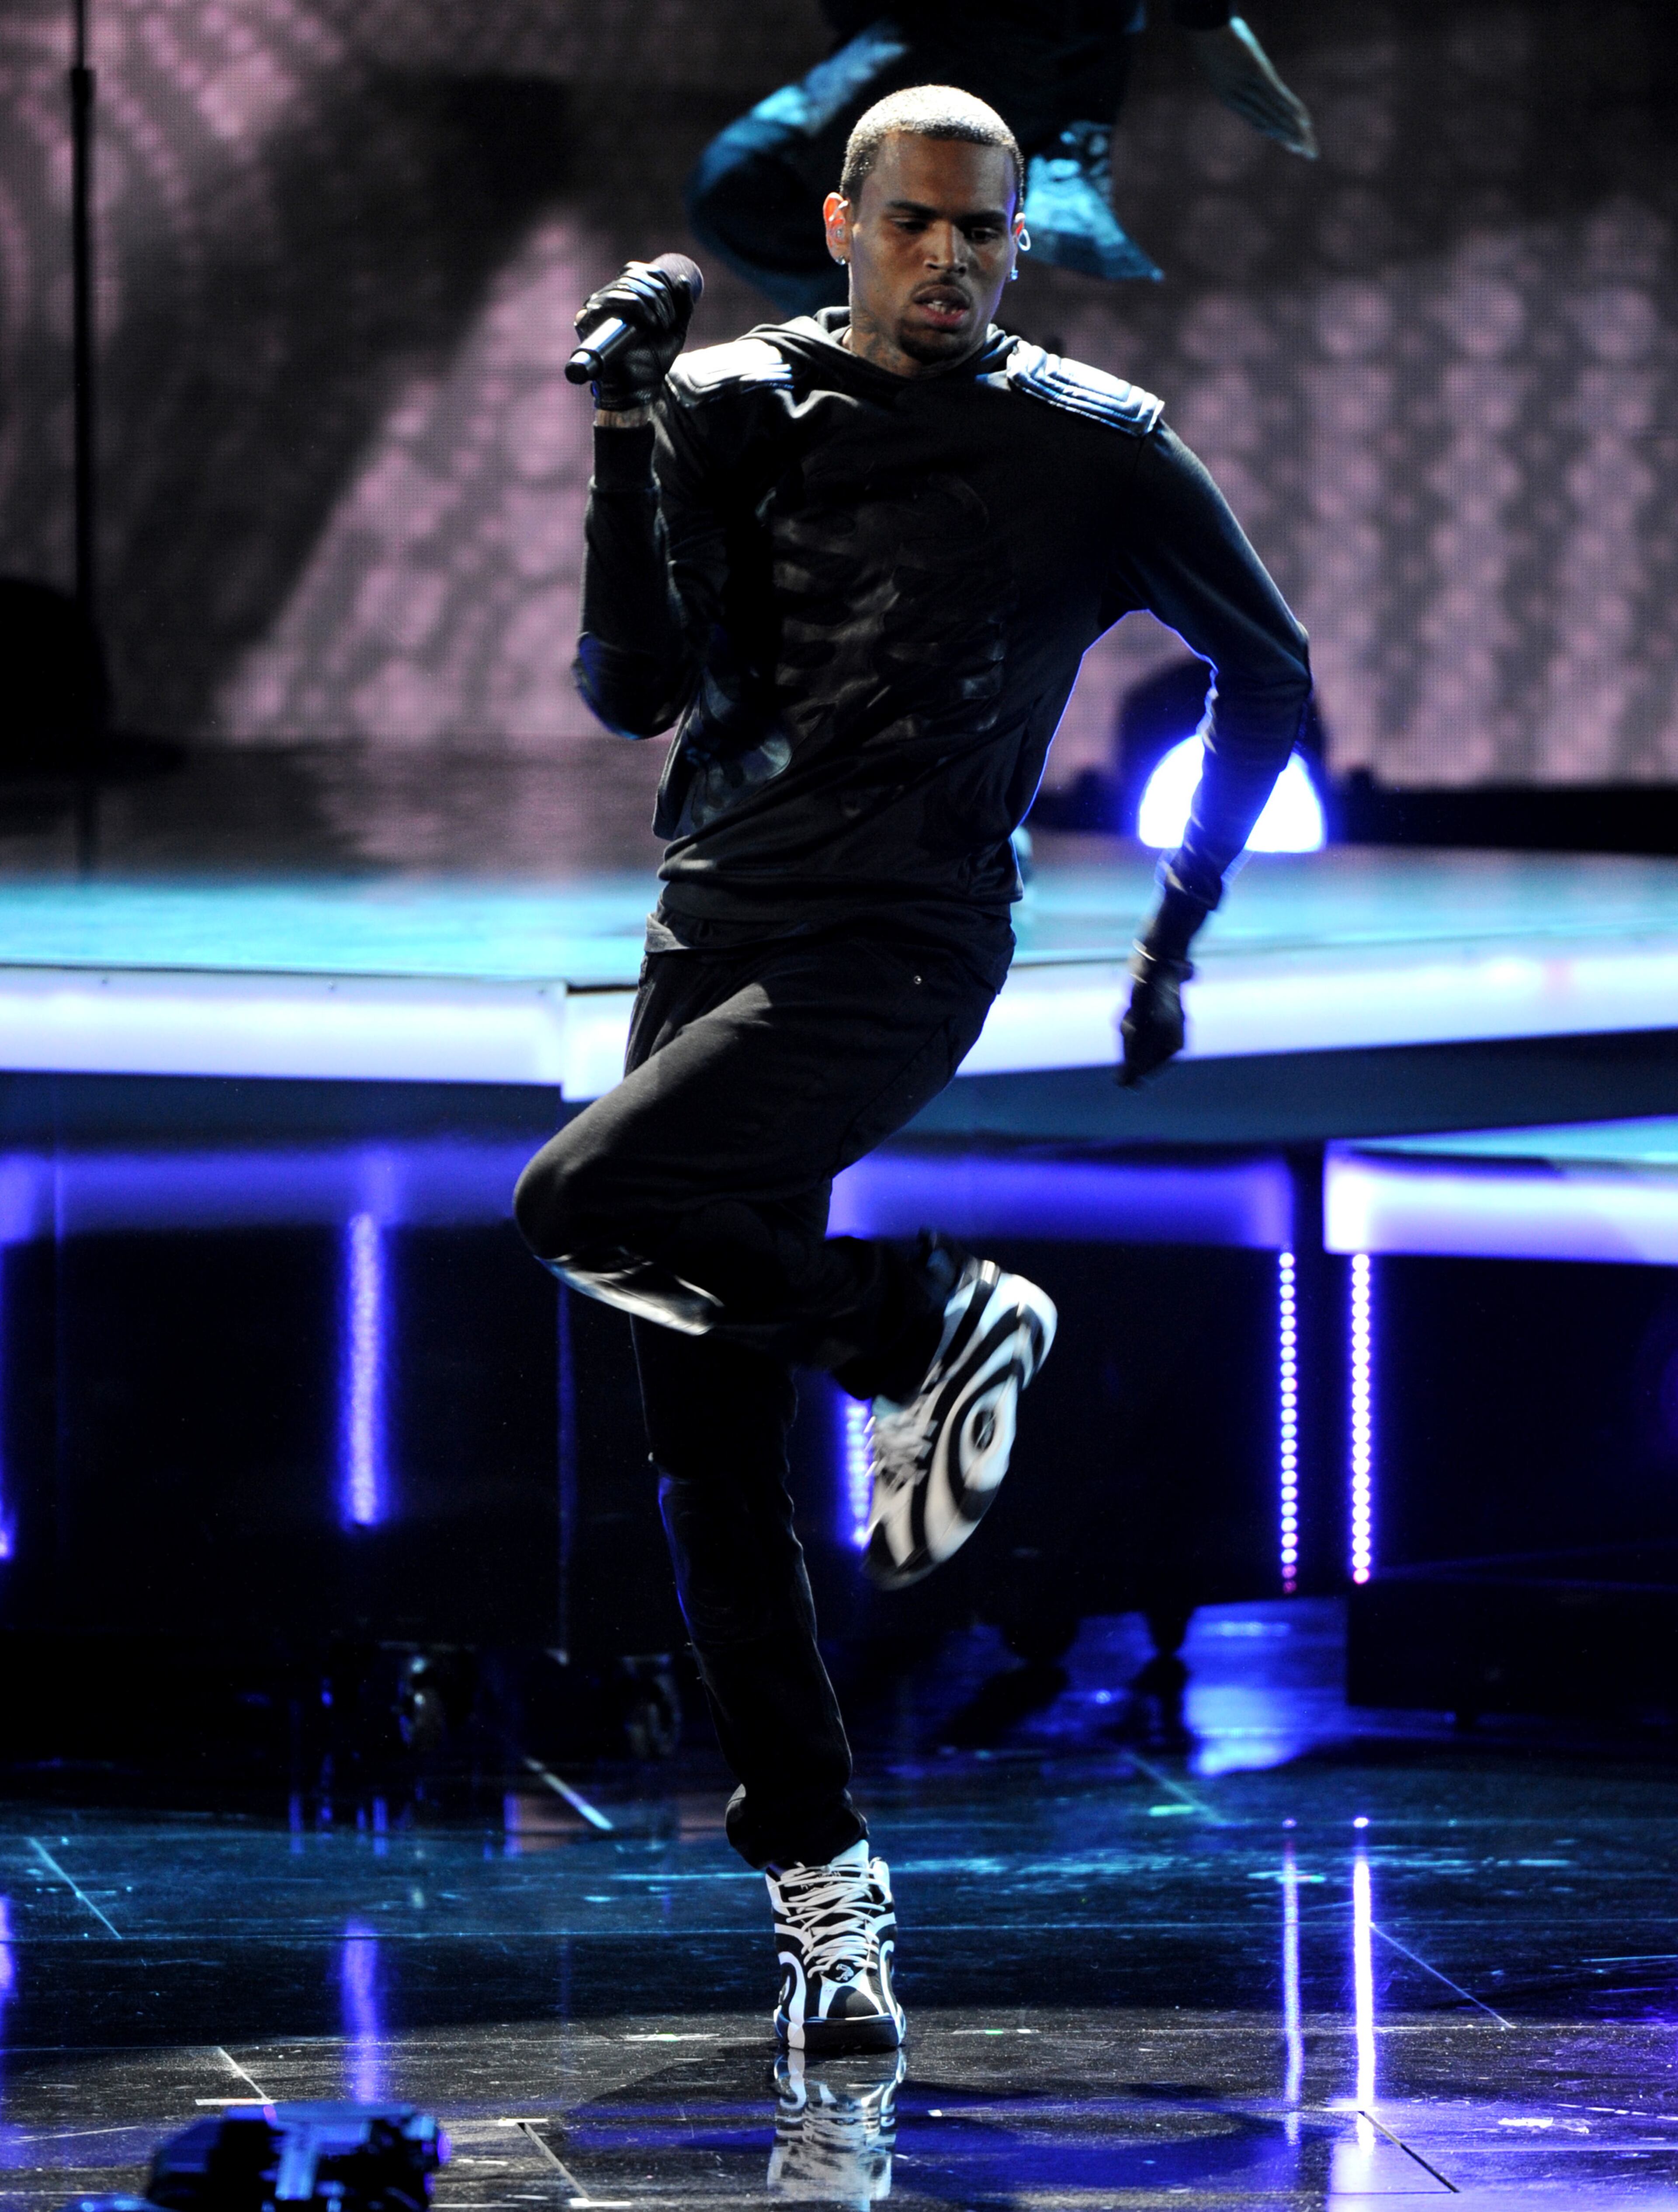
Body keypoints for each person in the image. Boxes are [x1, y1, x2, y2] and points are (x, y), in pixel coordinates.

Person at [513, 83, 1311, 2054]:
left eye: (989, 230)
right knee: (703, 1462)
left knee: (576, 1200)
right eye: (920, 224)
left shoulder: (1090, 446)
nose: (955, 257)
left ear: (1016, 241)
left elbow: (1270, 669)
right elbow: (631, 689)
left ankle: (924, 1317)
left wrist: (1171, 930)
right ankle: (828, 1896)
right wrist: (623, 429)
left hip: (904, 941)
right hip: (713, 937)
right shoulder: (724, 403)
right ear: (841, 221)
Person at [686, 2, 1317, 315]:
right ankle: (901, 363)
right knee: (743, 186)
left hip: (1025, 34)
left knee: (740, 184)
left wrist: (1209, 21)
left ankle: (912, 367)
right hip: (919, 25)